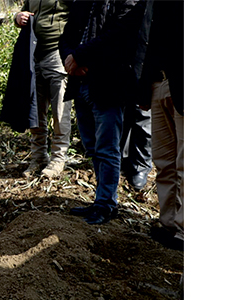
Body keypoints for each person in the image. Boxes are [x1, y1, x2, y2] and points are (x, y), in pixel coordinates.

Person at [61, 0, 151, 224]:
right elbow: (66, 35)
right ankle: (100, 199)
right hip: (80, 81)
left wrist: (79, 56)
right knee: (92, 147)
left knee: (107, 148)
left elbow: (119, 35)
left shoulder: (127, 1)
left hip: (108, 83)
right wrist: (69, 58)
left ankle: (106, 203)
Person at [139, 0, 184, 251]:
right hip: (158, 83)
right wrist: (145, 88)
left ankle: (185, 230)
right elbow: (147, 38)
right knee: (164, 161)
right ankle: (169, 225)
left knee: (185, 163)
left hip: (184, 83)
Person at [12, 0, 74, 179]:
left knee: (60, 110)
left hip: (57, 52)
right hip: (34, 53)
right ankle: (38, 157)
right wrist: (18, 18)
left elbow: (78, 16)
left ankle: (58, 158)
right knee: (36, 109)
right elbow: (25, 12)